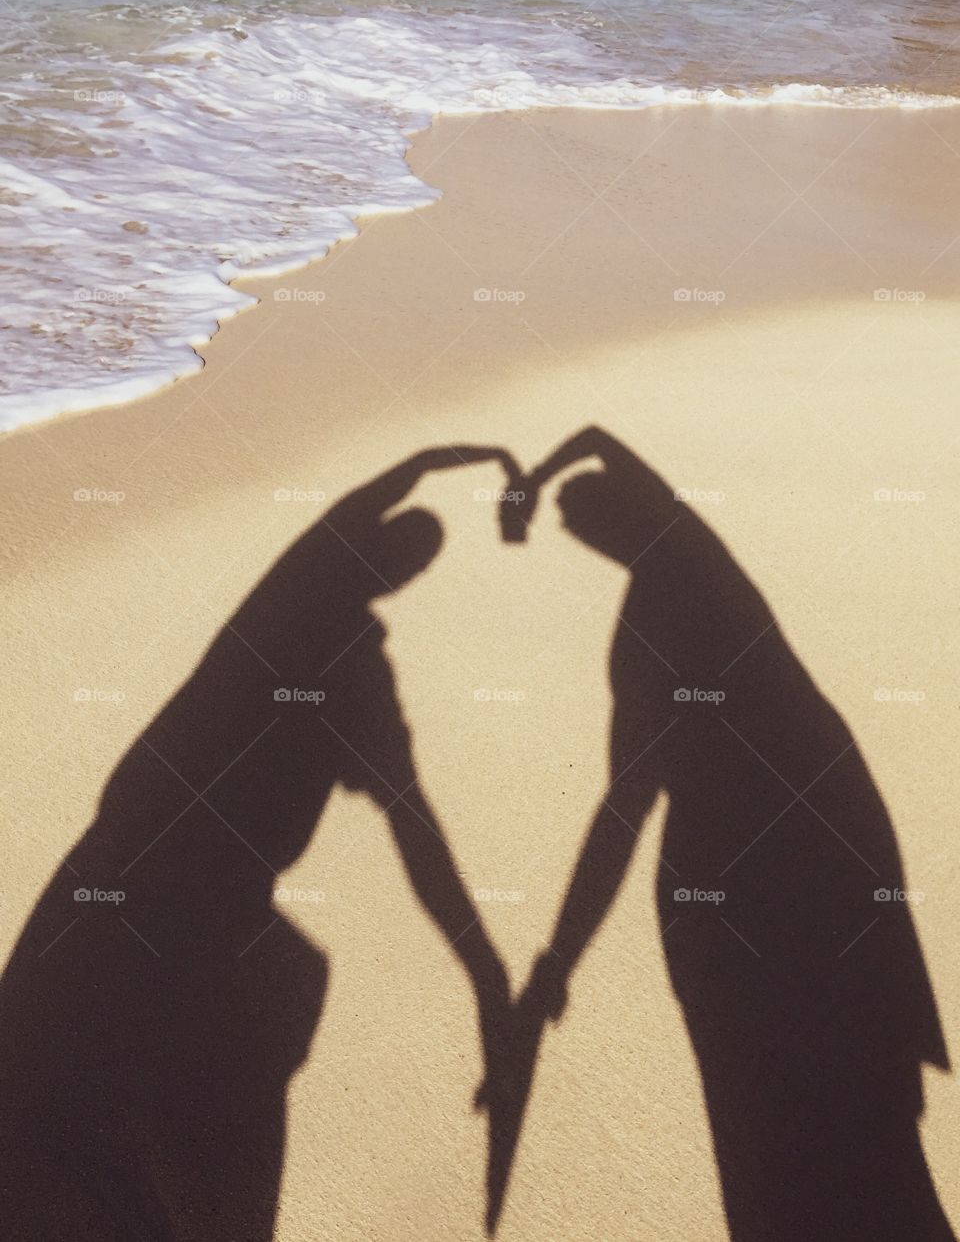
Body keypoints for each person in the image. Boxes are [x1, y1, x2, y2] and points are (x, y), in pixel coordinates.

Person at [0, 445, 518, 1241]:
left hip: (112, 877)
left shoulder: (301, 589)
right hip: (182, 920)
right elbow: (419, 834)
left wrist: (483, 458)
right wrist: (485, 972)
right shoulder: (340, 648)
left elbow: (418, 833)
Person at [514, 426, 953, 1241]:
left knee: (773, 1142)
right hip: (832, 842)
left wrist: (558, 960)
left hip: (740, 888)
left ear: (598, 533)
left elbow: (623, 812)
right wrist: (534, 478)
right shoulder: (695, 553)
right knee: (873, 1127)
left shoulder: (647, 628)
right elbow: (604, 439)